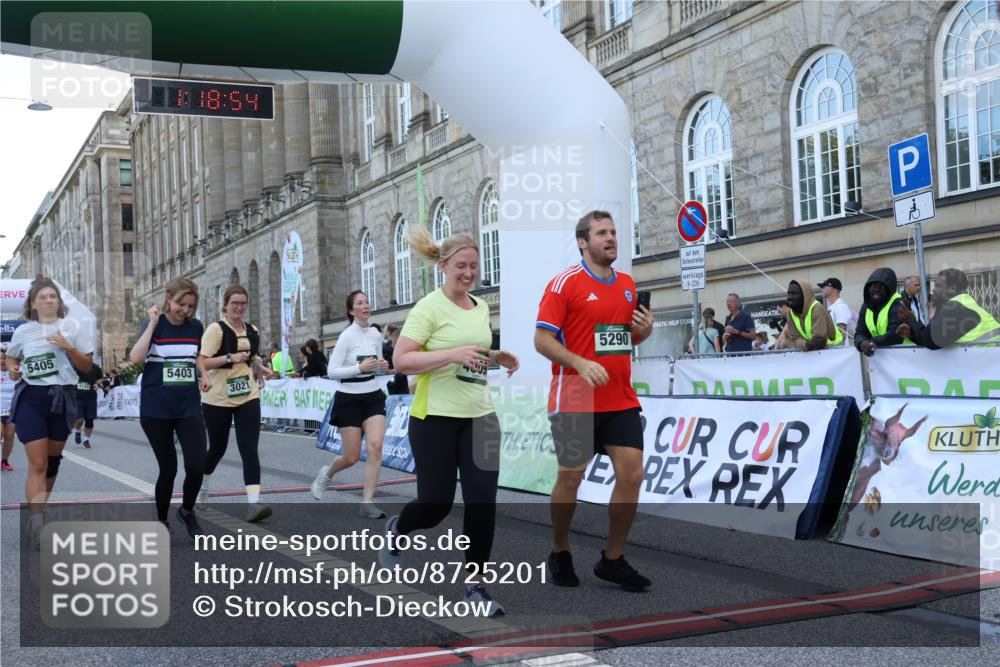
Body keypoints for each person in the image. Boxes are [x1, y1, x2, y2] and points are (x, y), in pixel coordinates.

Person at [381, 227, 520, 617]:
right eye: (461, 265)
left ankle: (475, 586)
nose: (468, 273)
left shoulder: (479, 307)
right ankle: (398, 530)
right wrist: (452, 354)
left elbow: (471, 356)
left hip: (480, 416)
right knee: (435, 504)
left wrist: (497, 357)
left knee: (482, 501)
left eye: (474, 266)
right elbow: (402, 361)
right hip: (435, 419)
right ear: (443, 266)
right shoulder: (428, 308)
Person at [534, 210, 655, 592]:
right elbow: (542, 340)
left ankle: (613, 559)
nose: (611, 238)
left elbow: (621, 339)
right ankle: (560, 549)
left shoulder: (627, 284)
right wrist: (579, 362)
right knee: (571, 477)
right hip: (574, 396)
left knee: (633, 474)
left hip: (619, 397)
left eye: (614, 232)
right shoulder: (564, 284)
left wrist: (643, 333)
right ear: (583, 242)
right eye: (602, 233)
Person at [5, 277, 94, 547]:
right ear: (33, 303)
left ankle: (40, 510)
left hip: (63, 397)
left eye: (53, 296)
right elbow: (12, 357)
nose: (48, 300)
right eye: (43, 297)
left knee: (53, 463)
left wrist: (67, 346)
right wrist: (12, 368)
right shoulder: (23, 331)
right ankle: (36, 520)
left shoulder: (72, 326)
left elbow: (87, 366)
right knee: (38, 463)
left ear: (59, 301)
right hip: (32, 398)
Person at [129, 278, 210, 538]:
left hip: (188, 407)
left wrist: (204, 374)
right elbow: (136, 358)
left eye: (190, 306)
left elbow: (198, 355)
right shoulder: (154, 324)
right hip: (156, 410)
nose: (185, 310)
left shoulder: (196, 326)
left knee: (197, 464)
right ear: (168, 298)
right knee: (169, 468)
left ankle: (187, 511)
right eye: (180, 304)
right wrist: (152, 323)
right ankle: (162, 520)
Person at [198, 285, 274, 522]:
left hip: (247, 396)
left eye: (243, 303)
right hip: (217, 398)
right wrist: (230, 357)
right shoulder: (216, 329)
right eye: (235, 303)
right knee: (217, 448)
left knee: (249, 448)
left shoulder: (252, 330)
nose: (239, 307)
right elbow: (202, 361)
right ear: (226, 305)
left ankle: (253, 504)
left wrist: (260, 368)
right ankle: (203, 486)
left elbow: (252, 357)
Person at [310, 291, 389, 517]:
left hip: (373, 395)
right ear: (351, 310)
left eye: (367, 302)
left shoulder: (375, 334)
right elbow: (331, 371)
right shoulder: (346, 336)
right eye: (359, 303)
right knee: (351, 457)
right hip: (349, 399)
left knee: (375, 446)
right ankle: (327, 473)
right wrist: (358, 369)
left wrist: (381, 366)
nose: (365, 305)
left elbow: (377, 363)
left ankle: (367, 502)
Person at [898, 268, 1000, 347]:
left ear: (952, 288)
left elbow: (931, 341)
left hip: (987, 362)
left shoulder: (954, 308)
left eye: (938, 286)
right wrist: (912, 333)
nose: (933, 290)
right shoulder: (965, 301)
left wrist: (911, 320)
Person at [854, 268, 909, 357]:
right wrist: (862, 343)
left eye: (881, 286)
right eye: (873, 285)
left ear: (889, 289)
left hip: (907, 356)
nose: (876, 289)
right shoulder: (866, 306)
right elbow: (860, 333)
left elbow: (895, 335)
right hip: (882, 360)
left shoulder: (899, 303)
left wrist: (872, 342)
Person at [781, 278, 840, 350]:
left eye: (794, 293)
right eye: (789, 293)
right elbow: (795, 340)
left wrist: (805, 345)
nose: (789, 297)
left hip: (836, 350)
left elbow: (819, 342)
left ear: (805, 295)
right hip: (816, 352)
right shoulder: (790, 313)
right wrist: (806, 344)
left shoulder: (817, 309)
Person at [72, 354, 103, 449]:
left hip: (91, 397)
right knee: (79, 419)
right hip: (77, 397)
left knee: (90, 419)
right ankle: (77, 431)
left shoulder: (96, 368)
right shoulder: (75, 366)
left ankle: (86, 440)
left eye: (89, 355)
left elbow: (100, 378)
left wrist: (98, 383)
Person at [818, 278, 852, 345]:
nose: (822, 289)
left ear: (832, 288)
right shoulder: (832, 307)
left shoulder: (841, 306)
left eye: (824, 286)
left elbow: (842, 334)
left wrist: (823, 343)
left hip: (841, 352)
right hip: (835, 351)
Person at [1, 344, 15, 471]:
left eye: (4, 358)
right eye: (0, 359)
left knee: (9, 436)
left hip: (11, 410)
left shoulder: (15, 372)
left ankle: (4, 461)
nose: (2, 361)